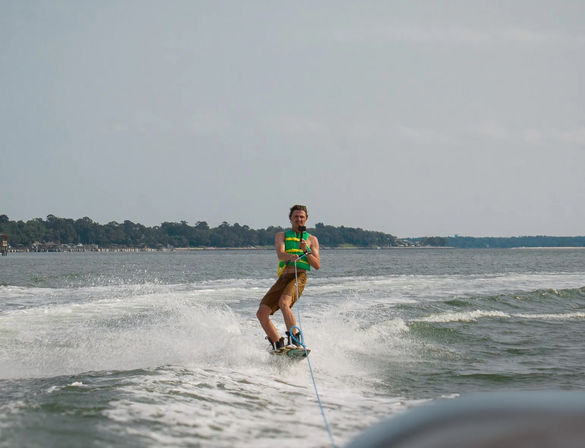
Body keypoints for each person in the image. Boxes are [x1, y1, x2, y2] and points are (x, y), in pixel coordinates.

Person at [256, 204, 320, 350]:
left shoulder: (312, 239)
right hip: (283, 278)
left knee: (284, 303)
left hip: (299, 276)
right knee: (262, 313)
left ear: (306, 219)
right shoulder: (281, 235)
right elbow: (280, 254)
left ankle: (295, 339)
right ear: (290, 219)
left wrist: (307, 250)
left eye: (302, 217)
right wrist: (291, 255)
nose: (299, 219)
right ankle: (277, 343)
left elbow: (317, 265)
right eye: (296, 217)